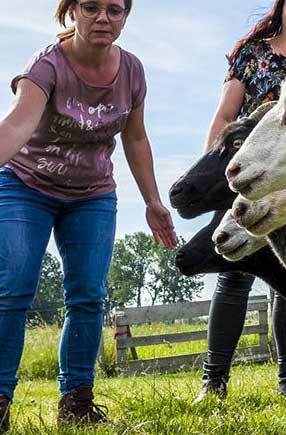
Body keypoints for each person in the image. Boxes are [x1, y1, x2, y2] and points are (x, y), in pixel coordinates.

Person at [0, 0, 177, 431]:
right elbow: (18, 125)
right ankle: (0, 400)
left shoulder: (132, 71)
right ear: (71, 12)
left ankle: (76, 400)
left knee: (88, 296)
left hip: (92, 194)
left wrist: (153, 201)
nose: (103, 17)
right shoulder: (47, 66)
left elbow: (135, 139)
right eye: (92, 7)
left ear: (125, 17)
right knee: (14, 287)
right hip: (27, 187)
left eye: (114, 10)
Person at [192, 0, 286, 403]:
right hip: (249, 176)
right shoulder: (253, 53)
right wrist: (215, 178)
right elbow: (224, 116)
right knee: (233, 273)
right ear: (281, 10)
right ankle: (214, 379)